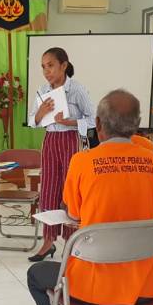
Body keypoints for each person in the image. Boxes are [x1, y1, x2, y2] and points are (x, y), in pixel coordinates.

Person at [28, 90, 153, 305]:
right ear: (136, 126)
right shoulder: (151, 160)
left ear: (98, 125)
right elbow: (140, 147)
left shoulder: (82, 161)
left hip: (92, 289)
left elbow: (74, 212)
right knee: (115, 258)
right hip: (144, 286)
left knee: (36, 274)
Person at [27, 47, 96, 262]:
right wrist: (41, 113)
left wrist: (71, 122)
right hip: (50, 140)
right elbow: (32, 121)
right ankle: (47, 241)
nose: (47, 71)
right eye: (43, 67)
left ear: (63, 65)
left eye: (51, 65)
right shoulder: (42, 90)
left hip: (70, 140)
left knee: (70, 190)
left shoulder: (77, 89)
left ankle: (70, 241)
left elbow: (93, 120)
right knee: (48, 188)